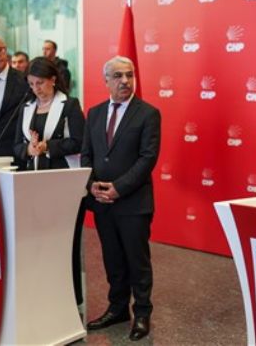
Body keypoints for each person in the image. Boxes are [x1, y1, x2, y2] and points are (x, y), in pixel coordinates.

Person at [81, 56, 160, 341]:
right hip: (101, 202)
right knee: (112, 259)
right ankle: (117, 309)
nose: (125, 81)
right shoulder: (95, 113)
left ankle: (142, 313)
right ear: (106, 80)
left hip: (133, 203)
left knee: (137, 261)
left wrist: (118, 188)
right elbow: (87, 155)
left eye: (129, 75)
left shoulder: (148, 114)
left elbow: (147, 158)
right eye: (117, 76)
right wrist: (92, 185)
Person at [13, 56, 86, 305]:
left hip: (62, 182)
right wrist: (28, 150)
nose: (36, 89)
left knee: (64, 242)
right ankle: (41, 292)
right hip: (32, 182)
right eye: (31, 84)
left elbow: (80, 141)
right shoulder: (26, 107)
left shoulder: (69, 105)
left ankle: (69, 297)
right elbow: (16, 145)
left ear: (53, 79)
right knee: (37, 241)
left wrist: (48, 147)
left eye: (41, 83)